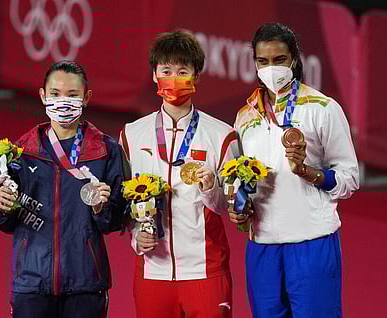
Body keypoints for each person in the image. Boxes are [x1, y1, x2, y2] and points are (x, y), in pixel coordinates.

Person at [231, 23, 359, 317]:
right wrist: (241, 205)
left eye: (279, 60)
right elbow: (241, 177)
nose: (271, 69)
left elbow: (350, 178)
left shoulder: (322, 108)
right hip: (262, 244)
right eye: (263, 62)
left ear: (295, 60)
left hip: (311, 241)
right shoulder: (245, 117)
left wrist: (307, 172)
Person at [119, 30, 239, 318]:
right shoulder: (132, 135)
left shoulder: (222, 135)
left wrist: (211, 189)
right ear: (154, 75)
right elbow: (124, 203)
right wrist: (136, 236)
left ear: (196, 76)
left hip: (205, 270)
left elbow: (230, 207)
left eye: (183, 71)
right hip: (152, 269)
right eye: (166, 70)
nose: (174, 78)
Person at [0, 60, 127, 318]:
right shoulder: (21, 151)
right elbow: (5, 223)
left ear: (86, 98)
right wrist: (4, 207)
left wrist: (102, 208)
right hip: (32, 283)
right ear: (43, 96)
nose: (63, 101)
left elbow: (115, 221)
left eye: (72, 95)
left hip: (85, 283)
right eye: (55, 94)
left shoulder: (105, 150)